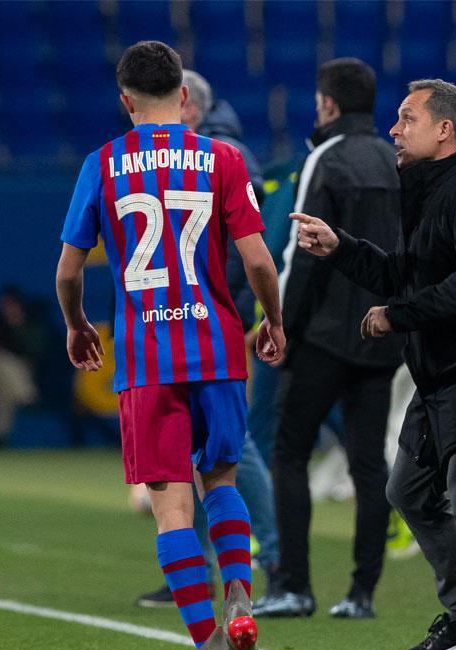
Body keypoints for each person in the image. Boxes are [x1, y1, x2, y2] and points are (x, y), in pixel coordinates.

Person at [291, 79, 456, 650]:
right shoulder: (428, 191)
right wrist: (341, 248)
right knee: (405, 490)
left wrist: (396, 315)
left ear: (444, 131)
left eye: (407, 119)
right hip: (444, 374)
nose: (394, 129)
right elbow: (405, 274)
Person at [55, 40, 286, 650]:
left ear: (124, 101)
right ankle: (241, 596)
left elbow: (69, 273)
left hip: (146, 358)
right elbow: (260, 260)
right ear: (184, 98)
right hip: (213, 346)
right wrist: (272, 320)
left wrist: (77, 326)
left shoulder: (101, 165)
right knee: (223, 481)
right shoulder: (221, 159)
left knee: (170, 507)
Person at [257, 57, 406, 621]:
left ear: (327, 104)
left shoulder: (326, 156)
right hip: (381, 332)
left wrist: (280, 325)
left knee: (289, 452)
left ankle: (295, 585)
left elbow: (306, 254)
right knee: (369, 463)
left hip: (322, 336)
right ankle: (362, 593)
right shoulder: (396, 159)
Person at [133, 69, 283, 612]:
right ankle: (213, 576)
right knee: (215, 462)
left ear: (185, 104)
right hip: (209, 326)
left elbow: (251, 251)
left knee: (225, 459)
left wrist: (250, 314)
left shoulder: (218, 154)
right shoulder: (221, 155)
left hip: (202, 327)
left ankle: (271, 561)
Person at [0, 286, 46, 446]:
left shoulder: (29, 322)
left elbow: (37, 351)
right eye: (5, 303)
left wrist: (18, 326)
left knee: (5, 393)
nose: (8, 307)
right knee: (2, 358)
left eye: (12, 303)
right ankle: (27, 395)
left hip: (15, 376)